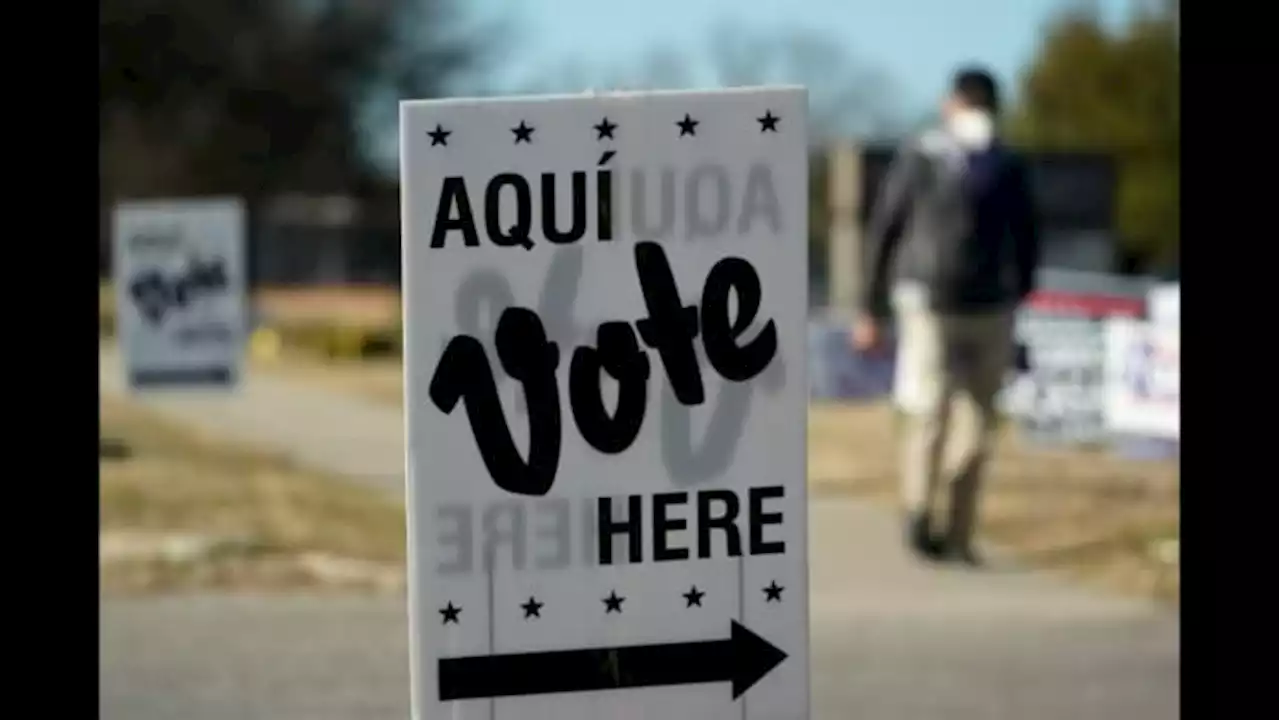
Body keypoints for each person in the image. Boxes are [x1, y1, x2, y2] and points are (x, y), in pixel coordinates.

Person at [851, 66, 1041, 565]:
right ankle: (959, 531)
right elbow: (1027, 238)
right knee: (978, 418)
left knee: (927, 408)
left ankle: (917, 506)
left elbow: (885, 228)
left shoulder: (923, 153)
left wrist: (869, 307)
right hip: (991, 304)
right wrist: (1019, 292)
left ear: (952, 102)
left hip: (928, 297)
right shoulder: (1007, 161)